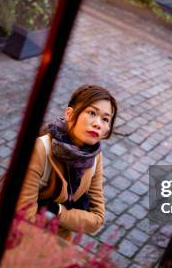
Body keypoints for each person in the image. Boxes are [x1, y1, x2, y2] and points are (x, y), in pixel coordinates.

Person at [16, 85, 118, 241]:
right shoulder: (40, 150)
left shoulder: (94, 157)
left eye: (105, 119)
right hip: (21, 238)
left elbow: (97, 219)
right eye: (92, 113)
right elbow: (25, 218)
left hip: (58, 242)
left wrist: (56, 211)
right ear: (70, 114)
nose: (98, 123)